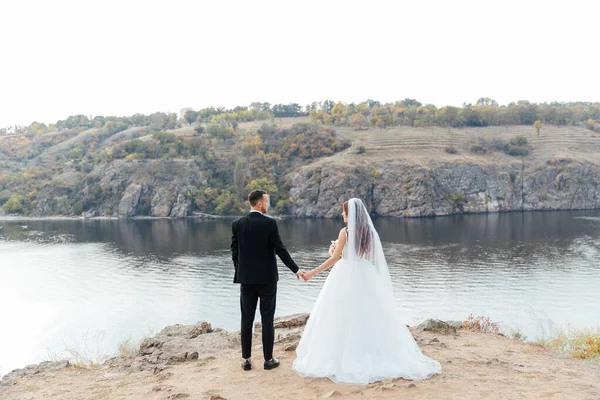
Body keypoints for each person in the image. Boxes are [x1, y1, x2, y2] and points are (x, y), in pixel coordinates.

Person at [293, 198, 442, 384]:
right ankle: (370, 351)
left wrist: (315, 271)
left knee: (341, 315)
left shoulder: (345, 232)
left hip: (345, 274)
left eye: (344, 212)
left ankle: (344, 354)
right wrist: (343, 251)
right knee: (368, 315)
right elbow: (370, 256)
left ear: (350, 214)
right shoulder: (368, 232)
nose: (342, 215)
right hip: (366, 274)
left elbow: (334, 260)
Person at [231, 189, 305, 371]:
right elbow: (280, 250)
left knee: (246, 319)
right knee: (267, 319)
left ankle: (246, 360)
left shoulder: (237, 224)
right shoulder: (270, 224)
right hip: (267, 280)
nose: (268, 204)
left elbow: (234, 252)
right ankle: (268, 360)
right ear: (259, 204)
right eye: (266, 201)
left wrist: (241, 271)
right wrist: (296, 269)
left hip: (246, 279)